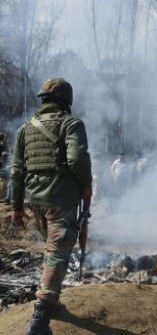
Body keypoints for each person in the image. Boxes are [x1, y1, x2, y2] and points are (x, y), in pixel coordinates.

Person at [10, 78, 92, 335]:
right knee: (58, 253)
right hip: (62, 200)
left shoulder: (25, 129)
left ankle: (52, 300)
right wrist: (87, 185)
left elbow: (16, 172)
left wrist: (16, 208)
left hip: (37, 203)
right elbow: (77, 158)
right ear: (66, 102)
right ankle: (41, 317)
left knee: (52, 251)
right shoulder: (71, 124)